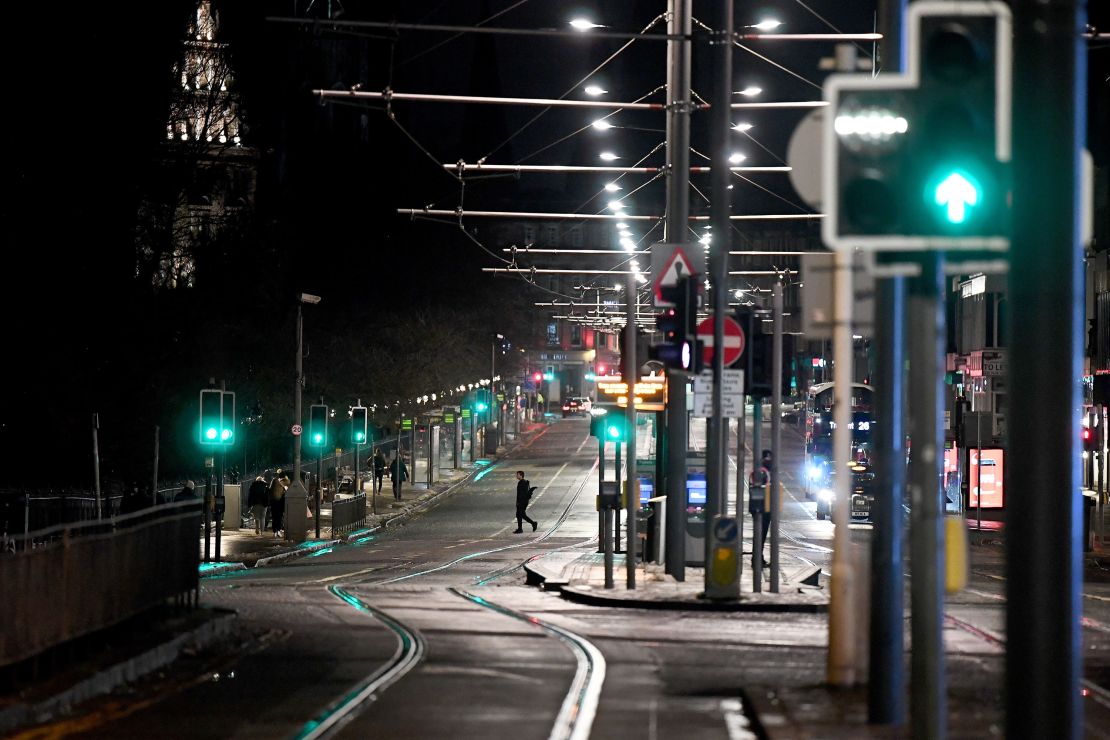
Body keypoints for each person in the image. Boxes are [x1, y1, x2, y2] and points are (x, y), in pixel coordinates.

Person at [749, 461, 771, 568]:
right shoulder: (762, 472)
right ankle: (757, 559)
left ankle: (758, 558)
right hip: (761, 508)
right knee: (760, 535)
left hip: (761, 508)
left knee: (760, 535)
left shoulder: (761, 471)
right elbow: (761, 489)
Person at [269, 469, 288, 537]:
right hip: (280, 501)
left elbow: (270, 489)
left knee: (274, 516)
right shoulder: (283, 481)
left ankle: (275, 531)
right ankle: (278, 530)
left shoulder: (274, 480)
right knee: (279, 516)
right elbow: (286, 489)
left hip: (273, 501)